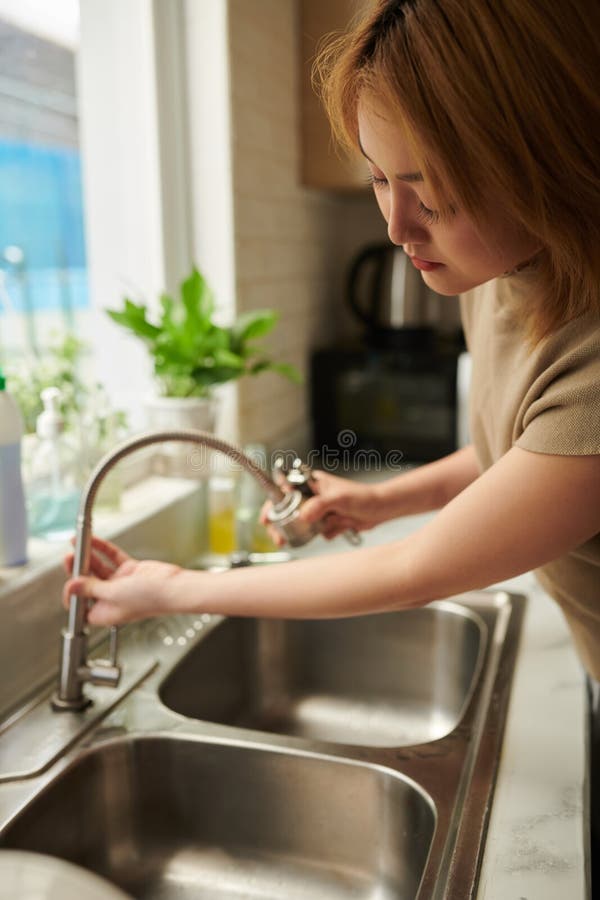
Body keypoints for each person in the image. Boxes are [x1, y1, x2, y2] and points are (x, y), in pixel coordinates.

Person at [64, 0, 599, 877]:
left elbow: (414, 570)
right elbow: (526, 451)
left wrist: (174, 590)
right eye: (382, 179)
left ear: (543, 155)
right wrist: (379, 496)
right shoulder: (496, 269)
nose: (396, 227)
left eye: (432, 190)